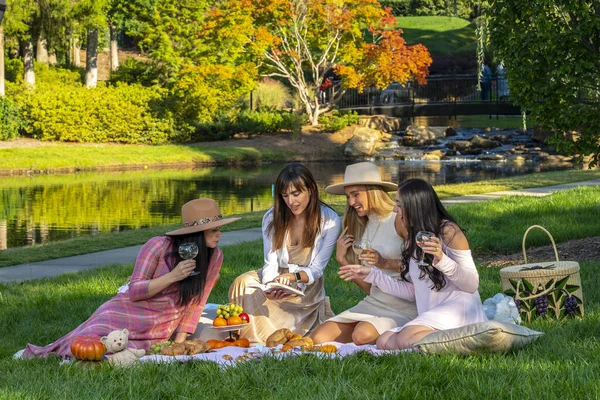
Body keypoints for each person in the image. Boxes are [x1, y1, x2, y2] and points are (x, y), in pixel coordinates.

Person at [21, 198, 240, 359]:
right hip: (128, 310)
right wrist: (173, 276)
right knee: (87, 340)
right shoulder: (158, 246)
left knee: (118, 350)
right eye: (213, 231)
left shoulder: (215, 256)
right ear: (197, 234)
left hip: (161, 323)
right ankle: (53, 351)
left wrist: (179, 345)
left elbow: (196, 303)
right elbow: (135, 291)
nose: (219, 235)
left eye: (219, 229)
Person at [338, 179, 487, 350]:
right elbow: (411, 292)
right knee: (384, 341)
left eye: (399, 205)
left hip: (458, 310)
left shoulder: (448, 231)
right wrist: (371, 275)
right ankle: (458, 340)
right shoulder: (412, 239)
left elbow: (471, 284)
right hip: (432, 314)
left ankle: (471, 336)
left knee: (405, 339)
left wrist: (441, 259)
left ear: (414, 206)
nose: (395, 209)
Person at [229, 163, 341, 343]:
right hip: (277, 279)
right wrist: (271, 284)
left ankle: (272, 332)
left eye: (296, 194)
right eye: (285, 195)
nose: (291, 202)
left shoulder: (329, 220)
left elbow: (317, 269)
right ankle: (249, 335)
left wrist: (292, 278)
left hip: (304, 284)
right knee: (242, 283)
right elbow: (271, 262)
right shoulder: (272, 217)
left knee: (291, 310)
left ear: (311, 189)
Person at [310, 162, 417, 345]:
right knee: (318, 338)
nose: (351, 203)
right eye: (348, 197)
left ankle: (402, 327)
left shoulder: (398, 219)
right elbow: (370, 287)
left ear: (372, 191)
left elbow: (420, 267)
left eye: (355, 194)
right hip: (374, 302)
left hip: (405, 304)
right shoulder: (363, 226)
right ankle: (368, 325)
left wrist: (385, 262)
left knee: (361, 336)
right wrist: (342, 259)